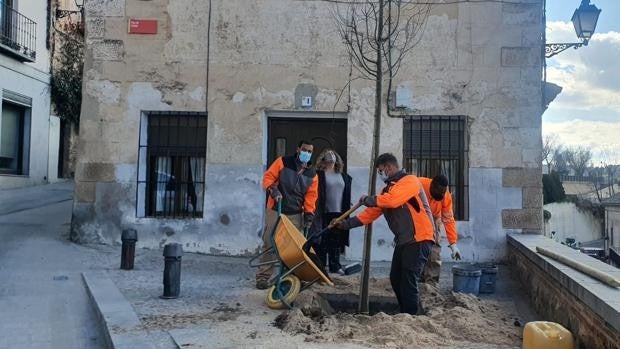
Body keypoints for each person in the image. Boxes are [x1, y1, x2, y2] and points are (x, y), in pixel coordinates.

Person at [334, 153, 435, 315]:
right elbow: (371, 213)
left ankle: (411, 317)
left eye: (381, 171)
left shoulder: (409, 181)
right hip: (405, 240)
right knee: (396, 279)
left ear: (389, 167)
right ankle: (406, 312)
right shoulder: (388, 189)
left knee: (409, 279)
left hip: (420, 237)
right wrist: (345, 224)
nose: (381, 174)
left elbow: (392, 200)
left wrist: (369, 199)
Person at [255, 140, 318, 290]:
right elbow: (268, 177)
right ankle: (263, 276)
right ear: (298, 149)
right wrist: (273, 189)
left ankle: (293, 275)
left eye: (309, 151)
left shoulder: (312, 174)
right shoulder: (283, 162)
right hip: (276, 208)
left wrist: (309, 213)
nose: (306, 153)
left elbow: (311, 196)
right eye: (304, 150)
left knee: (294, 247)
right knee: (270, 241)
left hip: (295, 212)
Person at [310, 149, 352, 275]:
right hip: (323, 212)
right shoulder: (318, 175)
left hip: (340, 212)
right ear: (322, 159)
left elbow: (345, 192)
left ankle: (335, 266)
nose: (330, 155)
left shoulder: (343, 176)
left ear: (337, 158)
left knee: (336, 240)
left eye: (333, 154)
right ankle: (321, 266)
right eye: (327, 154)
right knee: (322, 240)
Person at [419, 175, 462, 284]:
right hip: (417, 216)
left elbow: (448, 219)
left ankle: (431, 283)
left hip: (434, 218)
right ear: (432, 185)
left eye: (443, 192)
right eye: (439, 192)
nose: (441, 195)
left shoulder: (445, 196)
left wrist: (453, 244)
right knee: (416, 247)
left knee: (434, 249)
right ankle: (416, 279)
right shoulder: (419, 185)